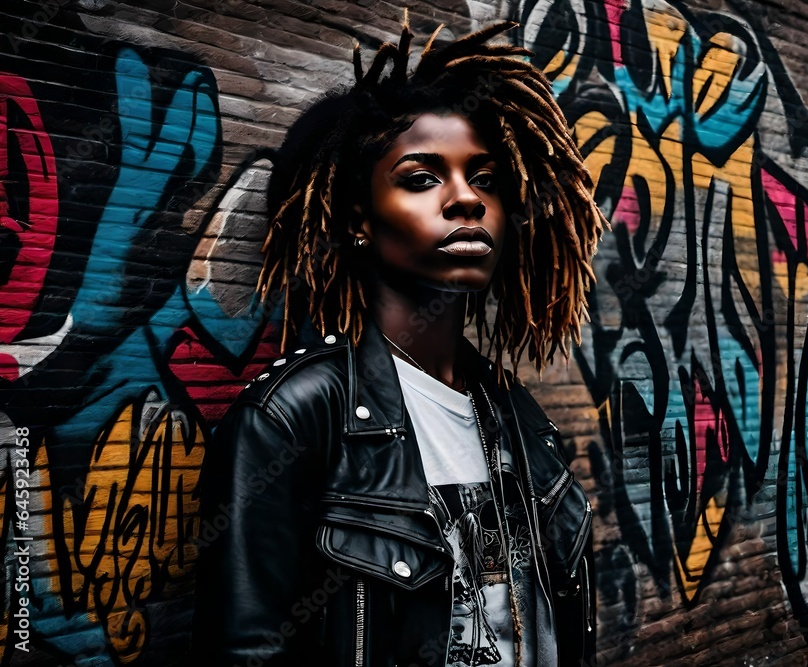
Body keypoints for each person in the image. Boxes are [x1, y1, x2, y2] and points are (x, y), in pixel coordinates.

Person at [191, 15, 605, 667]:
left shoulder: (520, 418)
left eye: (486, 178)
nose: (466, 200)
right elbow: (247, 648)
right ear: (359, 217)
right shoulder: (293, 420)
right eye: (422, 177)